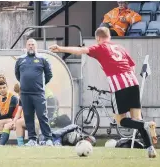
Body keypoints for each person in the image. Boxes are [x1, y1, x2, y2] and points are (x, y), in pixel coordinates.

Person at [49, 27, 157, 158]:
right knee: (137, 119)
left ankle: (147, 125)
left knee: (121, 120)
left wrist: (61, 49)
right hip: (133, 83)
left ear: (98, 38)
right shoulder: (120, 48)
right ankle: (150, 149)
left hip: (119, 85)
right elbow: (132, 65)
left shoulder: (99, 47)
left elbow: (81, 50)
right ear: (109, 37)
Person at [15, 38, 53, 146]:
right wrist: (26, 84)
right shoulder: (20, 60)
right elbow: (18, 75)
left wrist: (39, 85)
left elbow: (49, 75)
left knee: (42, 116)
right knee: (28, 117)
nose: (31, 46)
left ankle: (48, 138)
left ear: (36, 46)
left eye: (33, 44)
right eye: (29, 44)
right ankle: (32, 139)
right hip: (25, 94)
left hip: (39, 93)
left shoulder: (43, 59)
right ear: (26, 46)